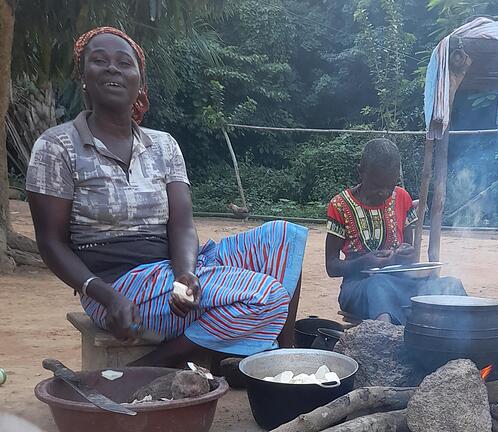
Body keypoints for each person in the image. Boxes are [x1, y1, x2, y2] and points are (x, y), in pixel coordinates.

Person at [25, 27, 308, 368]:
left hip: (172, 270)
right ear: (83, 77)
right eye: (99, 61)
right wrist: (103, 293)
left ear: (139, 83)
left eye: (124, 63)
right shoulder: (57, 146)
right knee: (268, 298)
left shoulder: (163, 145)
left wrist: (185, 275)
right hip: (116, 288)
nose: (113, 68)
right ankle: (148, 367)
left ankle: (283, 360)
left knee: (285, 237)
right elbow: (51, 243)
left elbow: (183, 225)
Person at [325, 138, 466, 324]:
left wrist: (404, 254)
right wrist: (364, 262)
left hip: (403, 283)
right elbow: (331, 266)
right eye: (376, 186)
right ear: (361, 171)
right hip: (359, 288)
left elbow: (411, 255)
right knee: (378, 285)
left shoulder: (402, 197)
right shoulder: (340, 205)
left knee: (451, 284)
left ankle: (471, 336)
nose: (383, 193)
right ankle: (387, 341)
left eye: (389, 187)